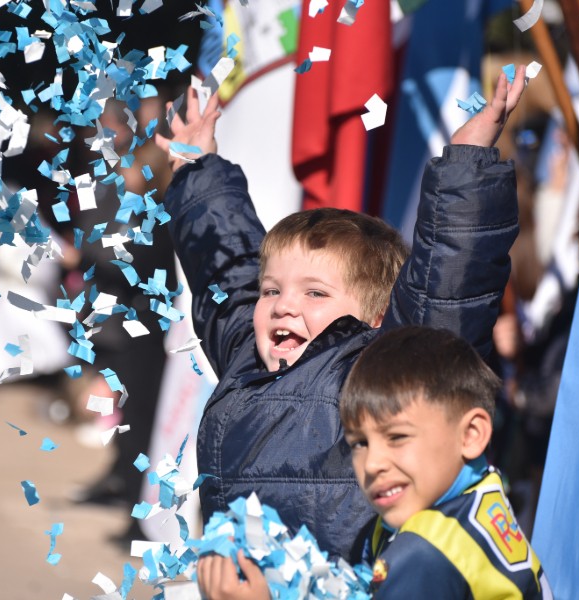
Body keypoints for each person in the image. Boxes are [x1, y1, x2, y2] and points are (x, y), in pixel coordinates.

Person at [154, 65, 526, 564]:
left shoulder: (379, 370)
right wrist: (196, 168)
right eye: (273, 291)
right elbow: (229, 269)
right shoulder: (249, 355)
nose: (284, 305)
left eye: (315, 294)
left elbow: (446, 285)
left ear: (377, 317)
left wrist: (467, 162)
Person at [340, 326, 551, 598]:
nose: (371, 464)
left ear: (471, 435)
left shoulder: (424, 553)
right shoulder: (482, 490)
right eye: (360, 443)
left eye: (397, 436)